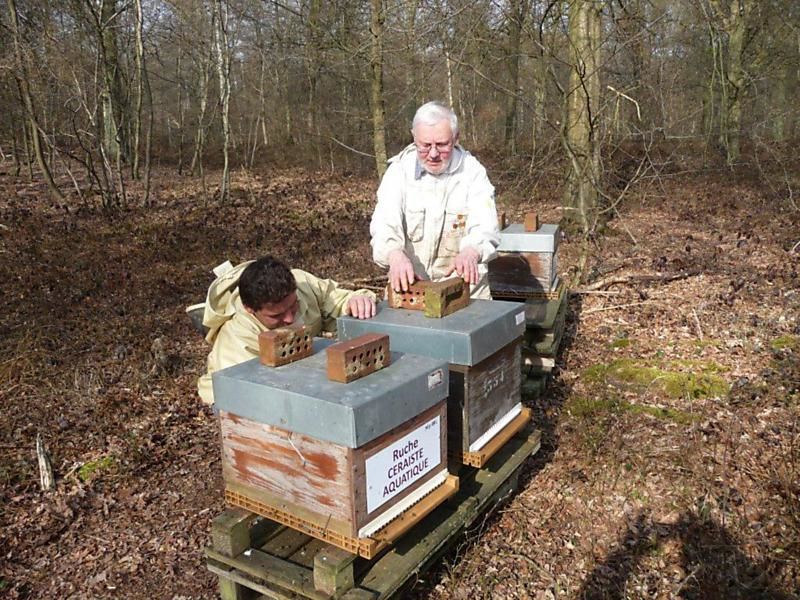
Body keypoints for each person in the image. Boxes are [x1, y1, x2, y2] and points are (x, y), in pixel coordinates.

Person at [197, 256, 377, 405]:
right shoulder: (236, 339)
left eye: (293, 306)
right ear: (250, 309)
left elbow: (336, 298)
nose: (290, 319)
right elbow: (244, 395)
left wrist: (355, 301)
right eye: (277, 316)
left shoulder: (303, 283)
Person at [370, 101, 500, 298]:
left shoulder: (473, 173)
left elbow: (485, 225)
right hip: (410, 289)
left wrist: (472, 251)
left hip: (464, 289)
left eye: (441, 145)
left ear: (456, 138)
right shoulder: (398, 172)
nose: (433, 154)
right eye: (425, 145)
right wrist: (394, 255)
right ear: (414, 137)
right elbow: (384, 224)